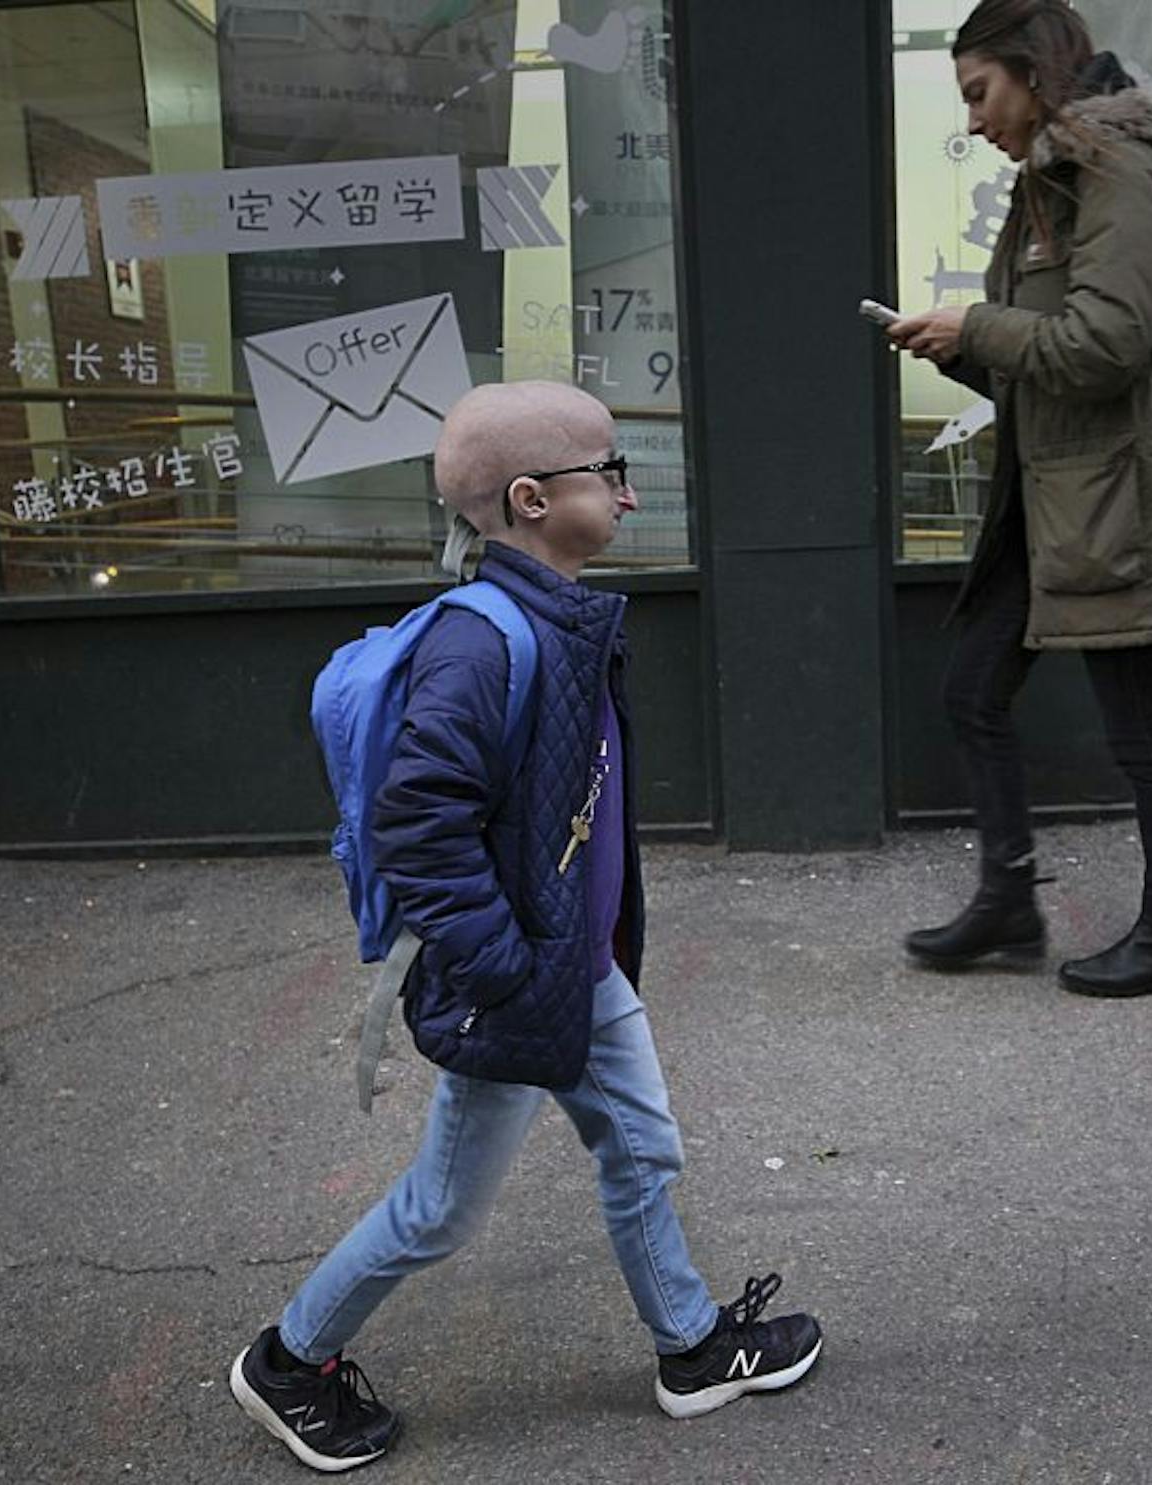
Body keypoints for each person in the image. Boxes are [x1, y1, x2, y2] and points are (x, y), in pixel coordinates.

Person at [229, 382, 823, 1472]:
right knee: (444, 1210)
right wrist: (506, 969)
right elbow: (418, 826)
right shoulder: (483, 645)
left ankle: (692, 1348)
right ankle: (286, 1360)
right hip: (519, 973)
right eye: (612, 472)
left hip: (567, 963)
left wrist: (570, 954)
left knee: (640, 1147)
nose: (631, 497)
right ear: (533, 498)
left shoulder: (560, 615)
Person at [889, 0, 1152, 999]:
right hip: (1049, 496)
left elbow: (1109, 345)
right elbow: (1040, 362)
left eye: (981, 93)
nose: (976, 120)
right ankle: (1009, 901)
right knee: (973, 693)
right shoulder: (1046, 184)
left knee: (1142, 735)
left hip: (1118, 498)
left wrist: (976, 328)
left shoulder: (1118, 173)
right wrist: (954, 348)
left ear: (1033, 73)